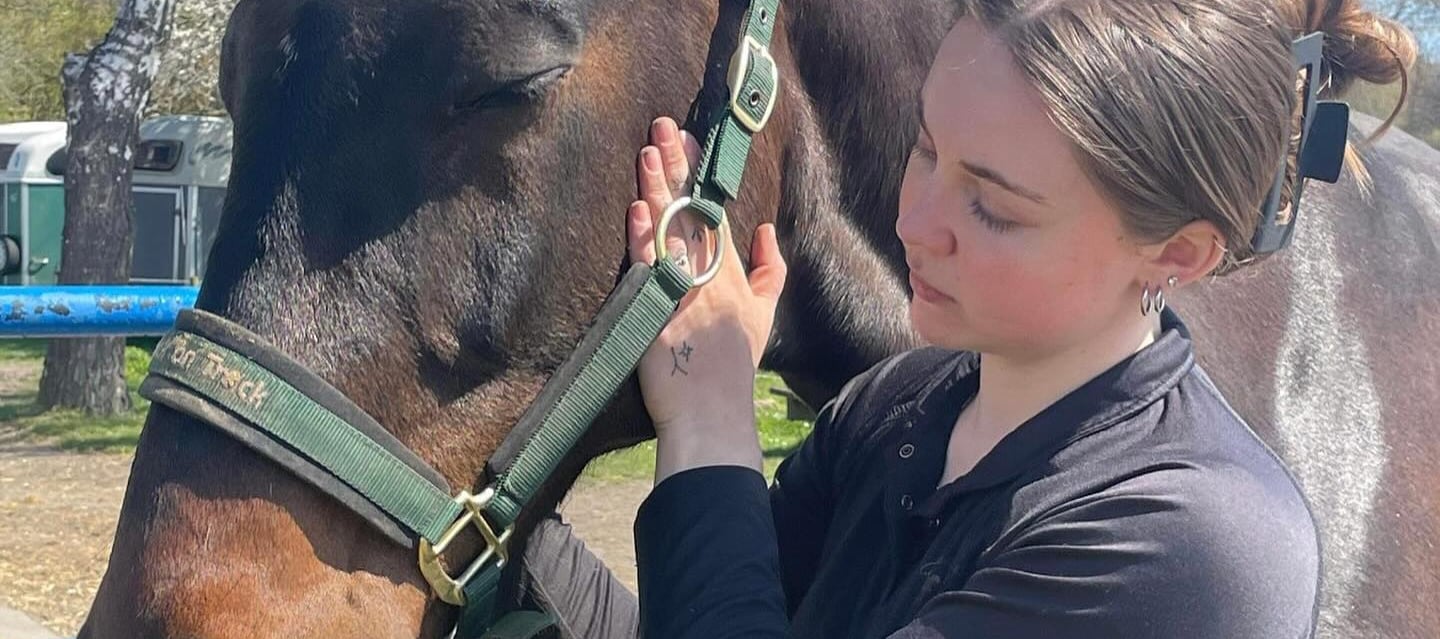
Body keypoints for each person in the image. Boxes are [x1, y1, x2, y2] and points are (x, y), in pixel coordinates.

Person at [515, 0, 1417, 637]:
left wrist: (712, 419)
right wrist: (477, 533)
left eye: (994, 208)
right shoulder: (899, 405)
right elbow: (698, 616)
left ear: (1177, 254)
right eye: (927, 148)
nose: (913, 222)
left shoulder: (1196, 544)